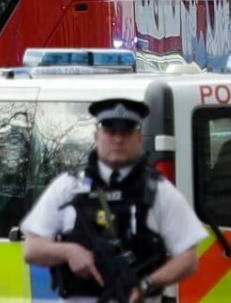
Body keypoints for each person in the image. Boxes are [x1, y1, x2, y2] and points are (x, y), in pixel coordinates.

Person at [21, 98, 208, 302]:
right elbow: (32, 249)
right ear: (97, 135)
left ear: (138, 137)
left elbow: (188, 260)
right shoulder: (69, 186)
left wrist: (147, 284)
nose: (118, 139)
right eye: (110, 131)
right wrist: (68, 251)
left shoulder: (158, 190)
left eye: (126, 132)